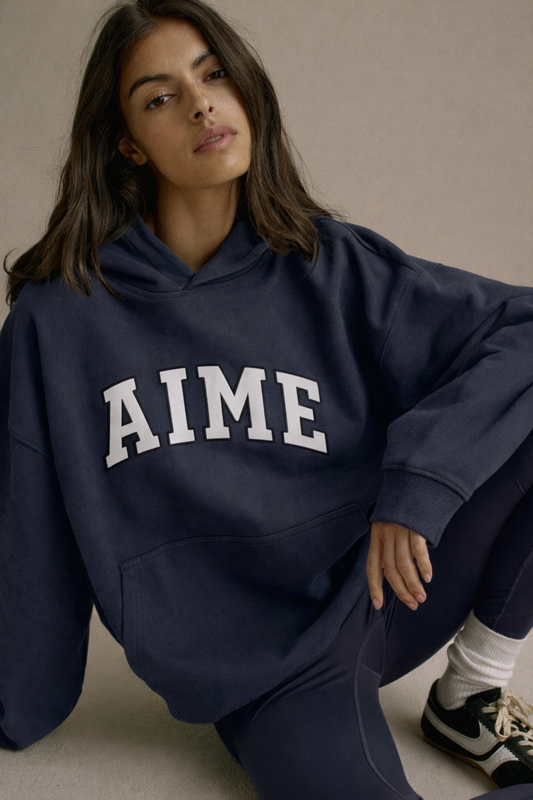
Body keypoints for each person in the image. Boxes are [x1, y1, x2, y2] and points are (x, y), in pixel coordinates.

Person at [1, 1, 533, 798]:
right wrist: (16, 698)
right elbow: (27, 516)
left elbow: (520, 330)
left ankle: (471, 692)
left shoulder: (330, 263)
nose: (201, 105)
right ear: (126, 143)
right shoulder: (62, 318)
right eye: (160, 96)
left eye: (214, 75)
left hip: (390, 582)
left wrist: (417, 487)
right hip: (269, 670)